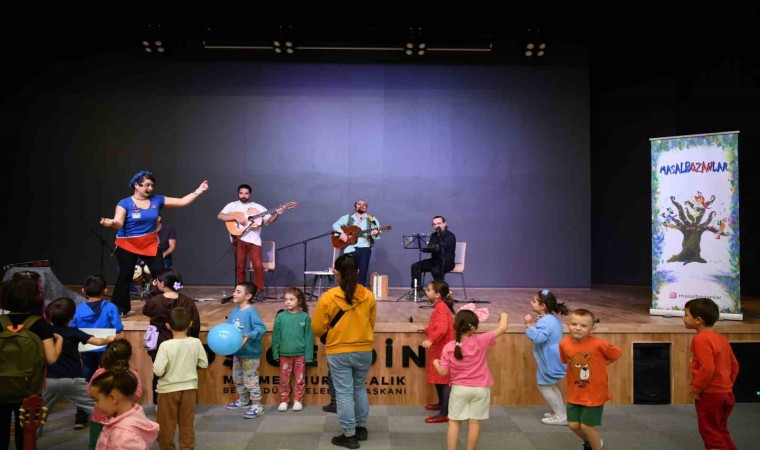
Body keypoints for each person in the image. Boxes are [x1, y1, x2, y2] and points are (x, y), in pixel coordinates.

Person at [99, 170, 208, 315]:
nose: (150, 188)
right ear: (136, 186)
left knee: (161, 274)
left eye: (152, 186)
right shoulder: (124, 203)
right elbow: (118, 223)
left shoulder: (157, 200)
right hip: (127, 244)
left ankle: (168, 304)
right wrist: (110, 223)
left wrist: (199, 191)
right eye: (147, 185)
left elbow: (182, 202)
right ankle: (120, 309)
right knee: (125, 275)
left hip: (149, 243)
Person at [312, 254, 376, 449]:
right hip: (364, 349)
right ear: (358, 271)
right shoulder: (368, 295)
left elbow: (316, 328)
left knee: (344, 394)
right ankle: (361, 428)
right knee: (359, 388)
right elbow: (371, 323)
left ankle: (349, 434)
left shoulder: (328, 297)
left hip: (338, 350)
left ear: (336, 273)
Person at [0, 278, 62, 450]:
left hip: (1, 387)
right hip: (29, 389)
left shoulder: (0, 322)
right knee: (26, 434)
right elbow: (51, 358)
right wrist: (60, 340)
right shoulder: (40, 324)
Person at [433, 309, 508, 450]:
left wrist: (435, 362)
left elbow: (443, 372)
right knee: (474, 423)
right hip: (481, 389)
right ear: (474, 327)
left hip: (459, 390)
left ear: (455, 326)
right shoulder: (481, 340)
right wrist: (503, 314)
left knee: (454, 422)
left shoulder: (449, 347)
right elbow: (502, 328)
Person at [41, 298, 115, 435]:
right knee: (96, 406)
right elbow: (97, 341)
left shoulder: (45, 332)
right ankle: (115, 430)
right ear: (73, 316)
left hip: (48, 380)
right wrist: (108, 339)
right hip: (73, 378)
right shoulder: (74, 332)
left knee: (38, 413)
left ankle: (29, 439)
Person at [559, 309, 622, 450]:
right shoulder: (564, 343)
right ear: (568, 325)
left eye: (583, 326)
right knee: (573, 425)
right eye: (574, 324)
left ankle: (595, 447)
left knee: (587, 426)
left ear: (592, 329)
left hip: (594, 393)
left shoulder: (598, 344)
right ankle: (594, 442)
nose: (577, 328)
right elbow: (567, 361)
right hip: (575, 392)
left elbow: (617, 353)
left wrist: (603, 364)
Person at [683, 298, 739, 450]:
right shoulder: (721, 338)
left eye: (686, 314)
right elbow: (735, 365)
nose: (683, 318)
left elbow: (707, 368)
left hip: (710, 394)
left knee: (711, 434)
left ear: (698, 320)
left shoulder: (700, 339)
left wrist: (696, 389)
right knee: (721, 431)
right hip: (726, 393)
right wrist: (727, 386)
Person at [142, 269, 201, 403]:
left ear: (162, 283)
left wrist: (154, 290)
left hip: (160, 344)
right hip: (183, 345)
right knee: (183, 373)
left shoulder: (156, 301)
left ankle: (159, 402)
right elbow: (196, 323)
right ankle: (183, 401)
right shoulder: (187, 301)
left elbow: (146, 310)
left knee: (159, 373)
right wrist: (194, 339)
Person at [154, 307, 208, 450]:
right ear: (190, 324)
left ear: (168, 326)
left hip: (167, 390)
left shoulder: (165, 346)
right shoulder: (195, 342)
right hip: (190, 389)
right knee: (187, 424)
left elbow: (158, 371)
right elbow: (204, 363)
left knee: (166, 425)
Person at [217, 184, 284, 301]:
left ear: (250, 194)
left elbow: (269, 221)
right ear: (238, 193)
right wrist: (235, 218)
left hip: (254, 240)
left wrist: (277, 213)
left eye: (246, 193)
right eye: (241, 193)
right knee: (240, 267)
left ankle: (259, 291)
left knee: (258, 266)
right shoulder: (232, 205)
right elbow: (220, 216)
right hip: (238, 239)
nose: (244, 195)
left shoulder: (258, 207)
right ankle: (241, 291)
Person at [524, 289, 569, 425]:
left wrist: (528, 326)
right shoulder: (551, 318)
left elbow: (538, 338)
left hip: (550, 360)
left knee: (544, 386)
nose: (531, 303)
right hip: (553, 358)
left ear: (542, 306)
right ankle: (560, 412)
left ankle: (561, 416)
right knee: (550, 386)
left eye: (534, 301)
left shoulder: (546, 321)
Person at [87, 339, 143, 450]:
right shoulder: (133, 374)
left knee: (95, 445)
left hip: (99, 419)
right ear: (129, 356)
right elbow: (137, 395)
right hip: (125, 419)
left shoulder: (99, 373)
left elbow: (90, 392)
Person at [90, 365, 158, 450]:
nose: (96, 405)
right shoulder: (134, 414)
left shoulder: (124, 436)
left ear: (113, 398)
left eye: (97, 400)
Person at [225, 282, 267, 419]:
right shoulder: (235, 310)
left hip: (250, 353)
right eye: (235, 291)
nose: (234, 294)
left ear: (248, 296)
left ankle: (257, 405)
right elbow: (229, 327)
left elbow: (261, 329)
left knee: (250, 379)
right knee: (237, 378)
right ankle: (244, 400)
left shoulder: (251, 311)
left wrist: (250, 335)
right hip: (238, 352)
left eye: (238, 291)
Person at [72, 276, 124, 383]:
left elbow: (73, 328)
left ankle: (87, 395)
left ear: (83, 291)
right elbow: (118, 328)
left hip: (86, 346)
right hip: (107, 347)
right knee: (107, 372)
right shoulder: (111, 307)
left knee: (88, 371)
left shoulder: (78, 309)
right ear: (105, 290)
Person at [272, 287, 314, 412]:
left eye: (291, 299)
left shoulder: (305, 317)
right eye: (286, 299)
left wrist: (309, 355)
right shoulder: (280, 317)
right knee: (284, 379)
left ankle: (298, 400)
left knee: (300, 379)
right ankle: (284, 400)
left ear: (299, 301)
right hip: (284, 354)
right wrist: (275, 352)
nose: (288, 302)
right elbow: (276, 336)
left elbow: (308, 338)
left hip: (300, 354)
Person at [420, 280, 455, 424]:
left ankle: (444, 412)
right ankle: (441, 404)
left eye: (429, 290)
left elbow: (442, 329)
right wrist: (427, 330)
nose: (426, 292)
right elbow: (438, 327)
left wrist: (431, 339)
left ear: (437, 295)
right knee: (438, 377)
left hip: (443, 349)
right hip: (440, 348)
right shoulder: (440, 306)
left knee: (444, 379)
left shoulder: (441, 308)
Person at [332, 200, 383, 286]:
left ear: (366, 208)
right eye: (359, 204)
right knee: (348, 270)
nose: (361, 206)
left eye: (364, 205)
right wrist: (342, 233)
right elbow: (335, 225)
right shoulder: (348, 217)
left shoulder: (371, 219)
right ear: (355, 207)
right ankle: (347, 289)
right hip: (349, 248)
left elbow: (377, 233)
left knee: (363, 270)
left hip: (365, 247)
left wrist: (376, 233)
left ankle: (360, 290)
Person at [410, 216, 456, 298]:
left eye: (439, 223)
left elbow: (439, 248)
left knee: (436, 270)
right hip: (435, 261)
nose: (436, 226)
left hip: (447, 262)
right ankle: (417, 291)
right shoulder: (433, 235)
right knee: (415, 266)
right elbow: (431, 249)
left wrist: (432, 247)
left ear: (444, 224)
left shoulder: (450, 236)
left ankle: (440, 293)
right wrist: (422, 246)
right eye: (434, 224)